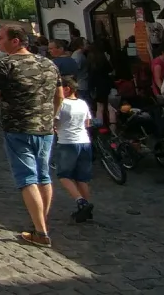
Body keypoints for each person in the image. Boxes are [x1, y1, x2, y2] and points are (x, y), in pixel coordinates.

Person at [0, 24, 62, 248]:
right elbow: (59, 96)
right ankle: (41, 221)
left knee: (27, 178)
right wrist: (53, 118)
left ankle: (40, 231)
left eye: (0, 38)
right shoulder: (48, 63)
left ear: (15, 40)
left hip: (18, 129)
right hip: (45, 129)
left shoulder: (6, 64)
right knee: (44, 175)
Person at [54, 76, 94, 223]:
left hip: (67, 142)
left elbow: (54, 121)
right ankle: (86, 207)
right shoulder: (83, 103)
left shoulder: (62, 104)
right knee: (81, 178)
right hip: (84, 141)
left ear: (66, 89)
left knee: (64, 175)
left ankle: (81, 201)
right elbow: (88, 123)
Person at [86, 41, 114, 129]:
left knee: (99, 108)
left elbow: (89, 75)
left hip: (96, 86)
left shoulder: (90, 59)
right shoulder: (103, 57)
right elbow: (110, 69)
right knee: (110, 106)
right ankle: (113, 128)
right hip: (106, 83)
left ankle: (100, 128)